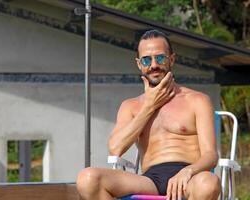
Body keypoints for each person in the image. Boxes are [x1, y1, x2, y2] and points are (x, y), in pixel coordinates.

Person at [76, 29, 221, 200]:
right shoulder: (130, 106)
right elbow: (115, 149)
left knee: (209, 183)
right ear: (139, 64)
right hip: (150, 181)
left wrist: (188, 171)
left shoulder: (197, 100)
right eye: (146, 59)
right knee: (87, 179)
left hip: (189, 179)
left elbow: (211, 155)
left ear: (172, 59)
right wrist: (149, 106)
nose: (153, 65)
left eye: (160, 58)